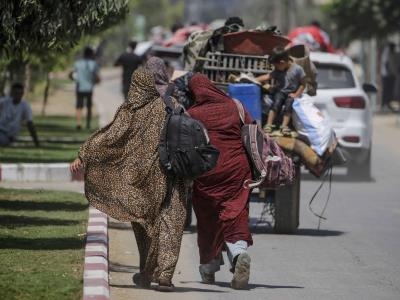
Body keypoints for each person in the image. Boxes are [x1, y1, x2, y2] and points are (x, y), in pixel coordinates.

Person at [70, 67, 186, 292]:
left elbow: (109, 138)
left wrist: (83, 153)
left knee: (145, 225)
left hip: (142, 182)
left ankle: (147, 271)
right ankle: (164, 276)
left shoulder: (130, 111)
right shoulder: (172, 104)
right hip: (174, 176)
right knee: (171, 225)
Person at [187, 74, 253, 290]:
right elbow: (252, 129)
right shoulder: (236, 106)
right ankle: (238, 253)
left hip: (206, 174)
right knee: (236, 213)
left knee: (208, 219)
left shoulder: (192, 114)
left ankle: (208, 266)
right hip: (236, 170)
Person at [256, 47, 306, 136]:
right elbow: (268, 76)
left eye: (276, 65)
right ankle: (269, 124)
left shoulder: (298, 69)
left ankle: (284, 126)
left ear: (282, 62)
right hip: (281, 92)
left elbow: (303, 84)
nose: (275, 68)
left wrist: (296, 94)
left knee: (288, 106)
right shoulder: (278, 70)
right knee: (276, 103)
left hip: (291, 93)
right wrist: (253, 79)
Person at [69, 46, 100, 130]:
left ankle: (79, 123)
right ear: (91, 54)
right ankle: (88, 124)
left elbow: (71, 74)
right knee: (89, 106)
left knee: (79, 106)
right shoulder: (94, 64)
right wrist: (97, 81)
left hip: (79, 87)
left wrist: (74, 79)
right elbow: (97, 77)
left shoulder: (77, 63)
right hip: (89, 88)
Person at [0, 82, 39, 147]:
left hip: (9, 135)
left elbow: (30, 123)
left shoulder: (25, 106)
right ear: (12, 93)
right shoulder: (4, 102)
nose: (18, 95)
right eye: (15, 93)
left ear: (22, 93)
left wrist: (36, 142)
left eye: (20, 93)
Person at [380, 42, 397, 112]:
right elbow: (387, 64)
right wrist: (391, 73)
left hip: (388, 75)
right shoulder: (387, 53)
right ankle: (384, 104)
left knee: (389, 91)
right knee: (386, 91)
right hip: (387, 75)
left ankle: (387, 104)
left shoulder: (389, 53)